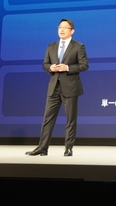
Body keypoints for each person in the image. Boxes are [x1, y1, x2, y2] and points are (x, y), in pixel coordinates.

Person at [26, 18, 89, 157]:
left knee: (70, 119)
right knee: (47, 119)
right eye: (60, 27)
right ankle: (42, 148)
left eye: (65, 27)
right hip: (54, 86)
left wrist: (67, 67)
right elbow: (45, 64)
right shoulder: (51, 46)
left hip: (70, 87)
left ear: (72, 31)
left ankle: (68, 148)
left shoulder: (78, 46)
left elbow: (84, 65)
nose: (62, 29)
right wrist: (50, 68)